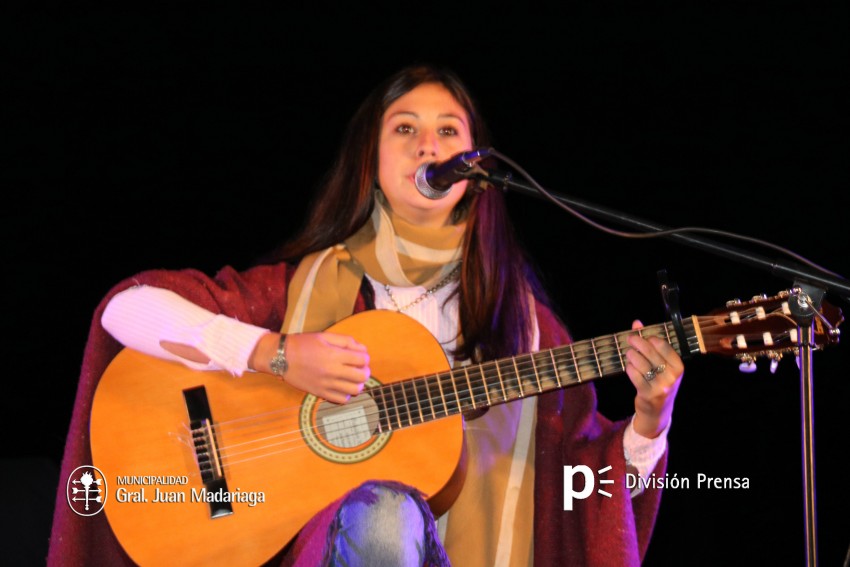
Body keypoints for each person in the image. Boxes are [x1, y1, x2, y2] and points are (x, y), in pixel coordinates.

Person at [48, 64, 684, 566]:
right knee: (386, 514)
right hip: (315, 552)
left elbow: (584, 492)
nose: (427, 145)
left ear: (479, 168)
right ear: (372, 162)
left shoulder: (526, 329)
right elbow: (126, 311)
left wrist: (649, 423)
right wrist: (277, 353)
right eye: (404, 129)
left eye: (448, 132)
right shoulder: (307, 289)